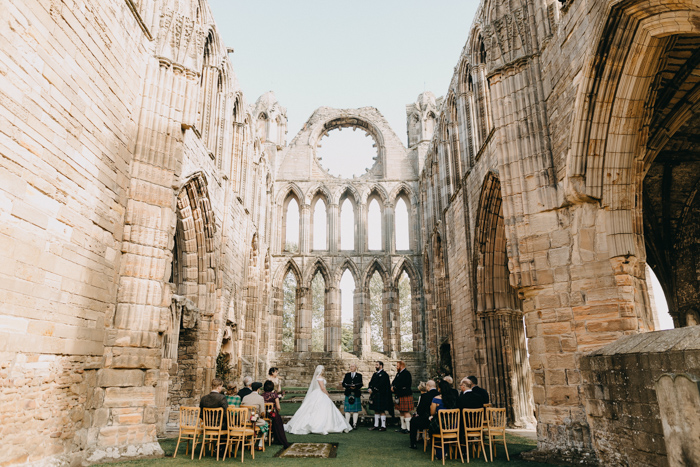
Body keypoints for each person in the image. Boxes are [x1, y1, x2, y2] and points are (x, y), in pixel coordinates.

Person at [284, 365, 351, 435]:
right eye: (323, 370)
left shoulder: (317, 377)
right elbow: (322, 388)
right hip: (320, 393)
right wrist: (327, 394)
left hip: (316, 393)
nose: (323, 371)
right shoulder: (320, 378)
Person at [429, 380, 458, 460]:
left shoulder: (436, 399)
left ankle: (440, 454)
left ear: (439, 389)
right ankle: (445, 452)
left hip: (441, 426)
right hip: (453, 426)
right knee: (443, 432)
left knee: (433, 430)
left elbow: (432, 413)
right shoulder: (453, 398)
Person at [409, 380, 438, 449]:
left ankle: (413, 443)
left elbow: (420, 411)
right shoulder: (440, 394)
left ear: (427, 386)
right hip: (439, 420)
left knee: (413, 421)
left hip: (427, 421)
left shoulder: (425, 396)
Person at [241, 382, 269, 450]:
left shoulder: (245, 397)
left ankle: (251, 441)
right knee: (265, 424)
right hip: (254, 420)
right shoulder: (260, 398)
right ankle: (260, 444)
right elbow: (263, 413)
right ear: (258, 389)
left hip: (245, 420)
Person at [262, 380, 290, 448]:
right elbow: (278, 407)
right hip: (272, 415)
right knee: (278, 418)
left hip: (263, 415)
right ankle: (279, 438)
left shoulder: (261, 395)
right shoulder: (274, 395)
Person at [367, 361, 393, 431]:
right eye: (375, 365)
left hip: (382, 395)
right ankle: (375, 425)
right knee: (376, 410)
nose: (375, 366)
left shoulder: (384, 375)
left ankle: (383, 426)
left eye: (377, 365)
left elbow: (382, 385)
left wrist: (373, 390)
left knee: (382, 410)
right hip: (375, 395)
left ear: (381, 366)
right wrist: (369, 388)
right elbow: (371, 382)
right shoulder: (375, 374)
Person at [392, 360, 413, 434]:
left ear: (401, 366)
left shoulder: (406, 373)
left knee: (406, 411)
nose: (396, 367)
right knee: (401, 411)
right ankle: (403, 427)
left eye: (397, 366)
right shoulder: (399, 373)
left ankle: (409, 428)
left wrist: (394, 387)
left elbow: (403, 384)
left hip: (405, 394)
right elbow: (394, 382)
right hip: (400, 394)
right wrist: (393, 386)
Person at [342, 363, 363, 429]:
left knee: (355, 410)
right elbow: (343, 383)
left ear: (355, 367)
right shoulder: (347, 375)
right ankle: (347, 424)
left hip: (356, 393)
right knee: (347, 410)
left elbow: (361, 384)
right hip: (348, 392)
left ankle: (354, 424)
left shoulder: (359, 375)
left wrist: (355, 387)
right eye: (350, 366)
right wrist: (349, 387)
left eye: (353, 366)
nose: (351, 367)